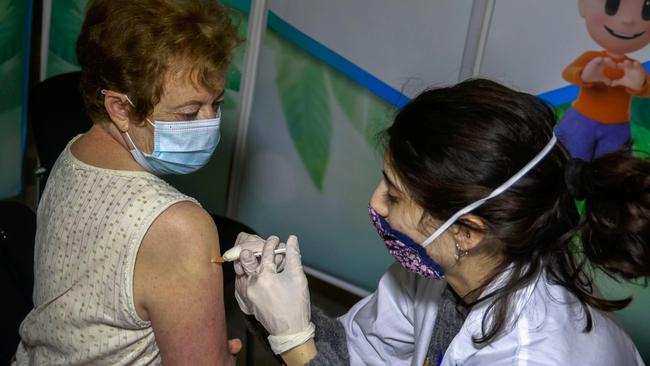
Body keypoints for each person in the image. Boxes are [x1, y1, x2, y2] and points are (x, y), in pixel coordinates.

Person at [233, 79, 649, 365]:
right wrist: (282, 316)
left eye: (394, 195)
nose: (375, 204)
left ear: (466, 231)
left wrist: (295, 342)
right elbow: (356, 354)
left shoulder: (532, 354)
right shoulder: (444, 267)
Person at [13, 0, 241, 364]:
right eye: (189, 112)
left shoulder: (74, 153)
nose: (209, 122)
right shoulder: (180, 227)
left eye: (217, 103)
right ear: (119, 108)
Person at [555, 0, 650, 161]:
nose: (628, 20)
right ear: (583, 5)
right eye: (612, 5)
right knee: (570, 157)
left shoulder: (633, 68)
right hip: (581, 120)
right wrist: (584, 75)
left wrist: (640, 85)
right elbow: (568, 73)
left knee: (611, 166)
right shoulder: (592, 58)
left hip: (617, 127)